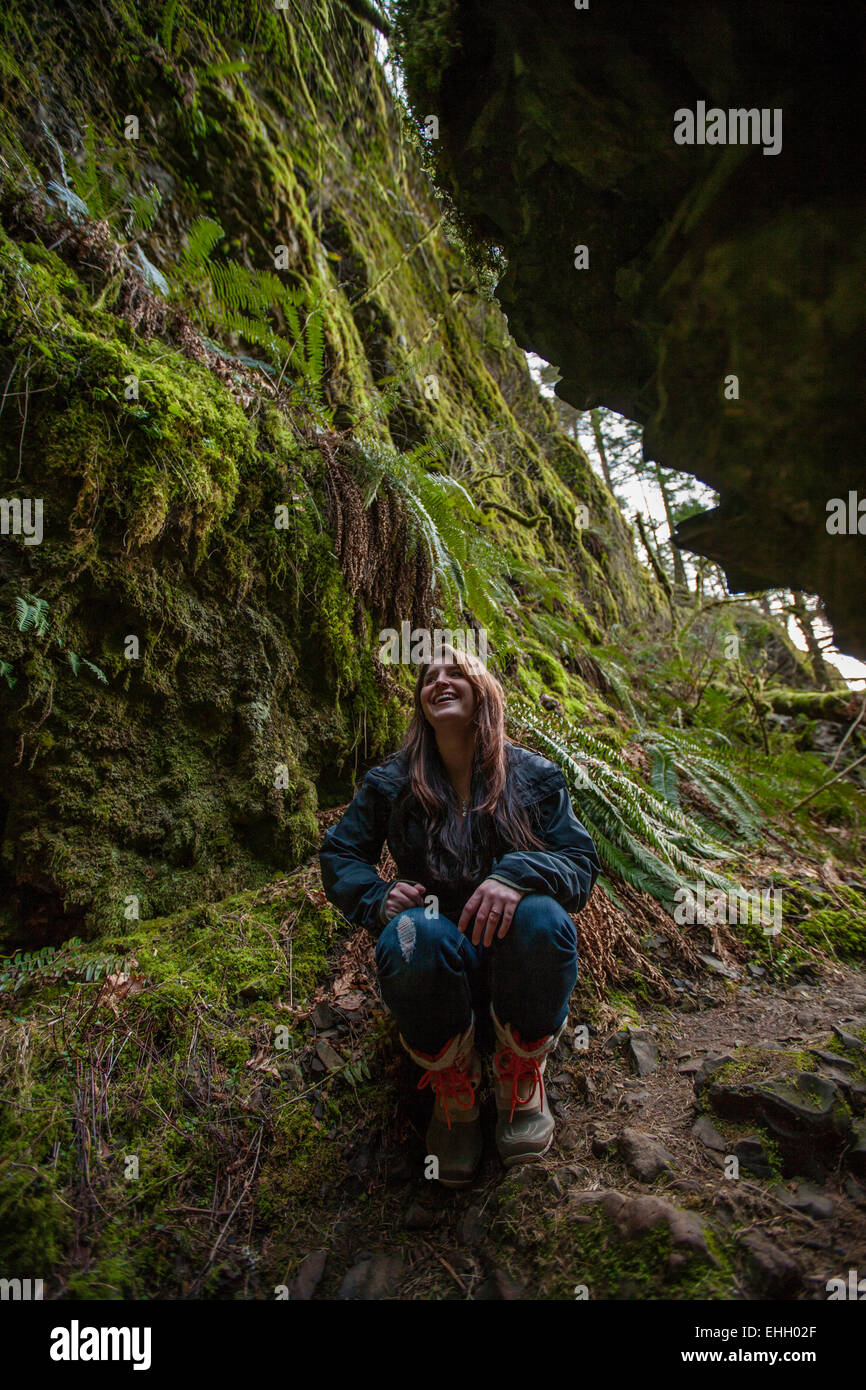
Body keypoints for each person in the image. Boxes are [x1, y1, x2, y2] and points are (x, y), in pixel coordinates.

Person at [319, 645, 600, 1187]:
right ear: (421, 701)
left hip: (516, 962)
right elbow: (340, 855)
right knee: (410, 932)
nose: (440, 680)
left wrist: (517, 874)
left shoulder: (534, 775)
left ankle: (520, 1068)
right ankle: (454, 1084)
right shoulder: (391, 782)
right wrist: (377, 897)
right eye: (429, 676)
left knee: (542, 915)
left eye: (456, 672)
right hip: (436, 957)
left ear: (484, 692)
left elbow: (580, 864)